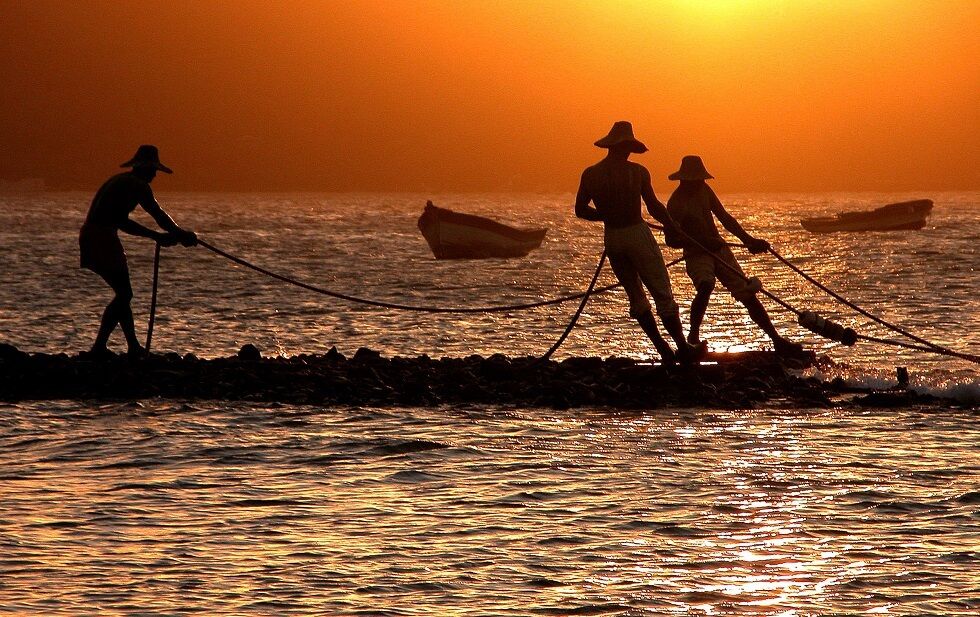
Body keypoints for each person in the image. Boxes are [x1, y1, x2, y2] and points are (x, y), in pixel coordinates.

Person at [575, 122, 705, 365]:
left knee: (635, 295)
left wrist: (605, 215)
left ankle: (663, 349)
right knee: (661, 292)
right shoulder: (637, 172)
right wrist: (672, 225)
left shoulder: (591, 174)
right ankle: (681, 347)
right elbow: (654, 206)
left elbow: (581, 210)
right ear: (627, 147)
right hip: (636, 233)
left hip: (613, 238)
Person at [664, 155, 806, 357]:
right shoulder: (676, 203)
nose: (701, 183)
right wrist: (702, 242)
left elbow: (725, 218)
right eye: (697, 180)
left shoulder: (705, 190)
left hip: (719, 249)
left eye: (701, 179)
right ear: (685, 180)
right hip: (696, 253)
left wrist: (748, 240)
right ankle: (692, 337)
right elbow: (671, 239)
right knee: (705, 285)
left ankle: (777, 340)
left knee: (747, 293)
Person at [79, 145, 197, 357]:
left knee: (123, 294)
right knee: (125, 294)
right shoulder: (137, 186)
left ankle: (132, 347)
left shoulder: (120, 181)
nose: (154, 175)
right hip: (101, 237)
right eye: (152, 170)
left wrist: (177, 235)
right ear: (144, 169)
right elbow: (145, 217)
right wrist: (168, 235)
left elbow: (153, 217)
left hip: (95, 235)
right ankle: (99, 348)